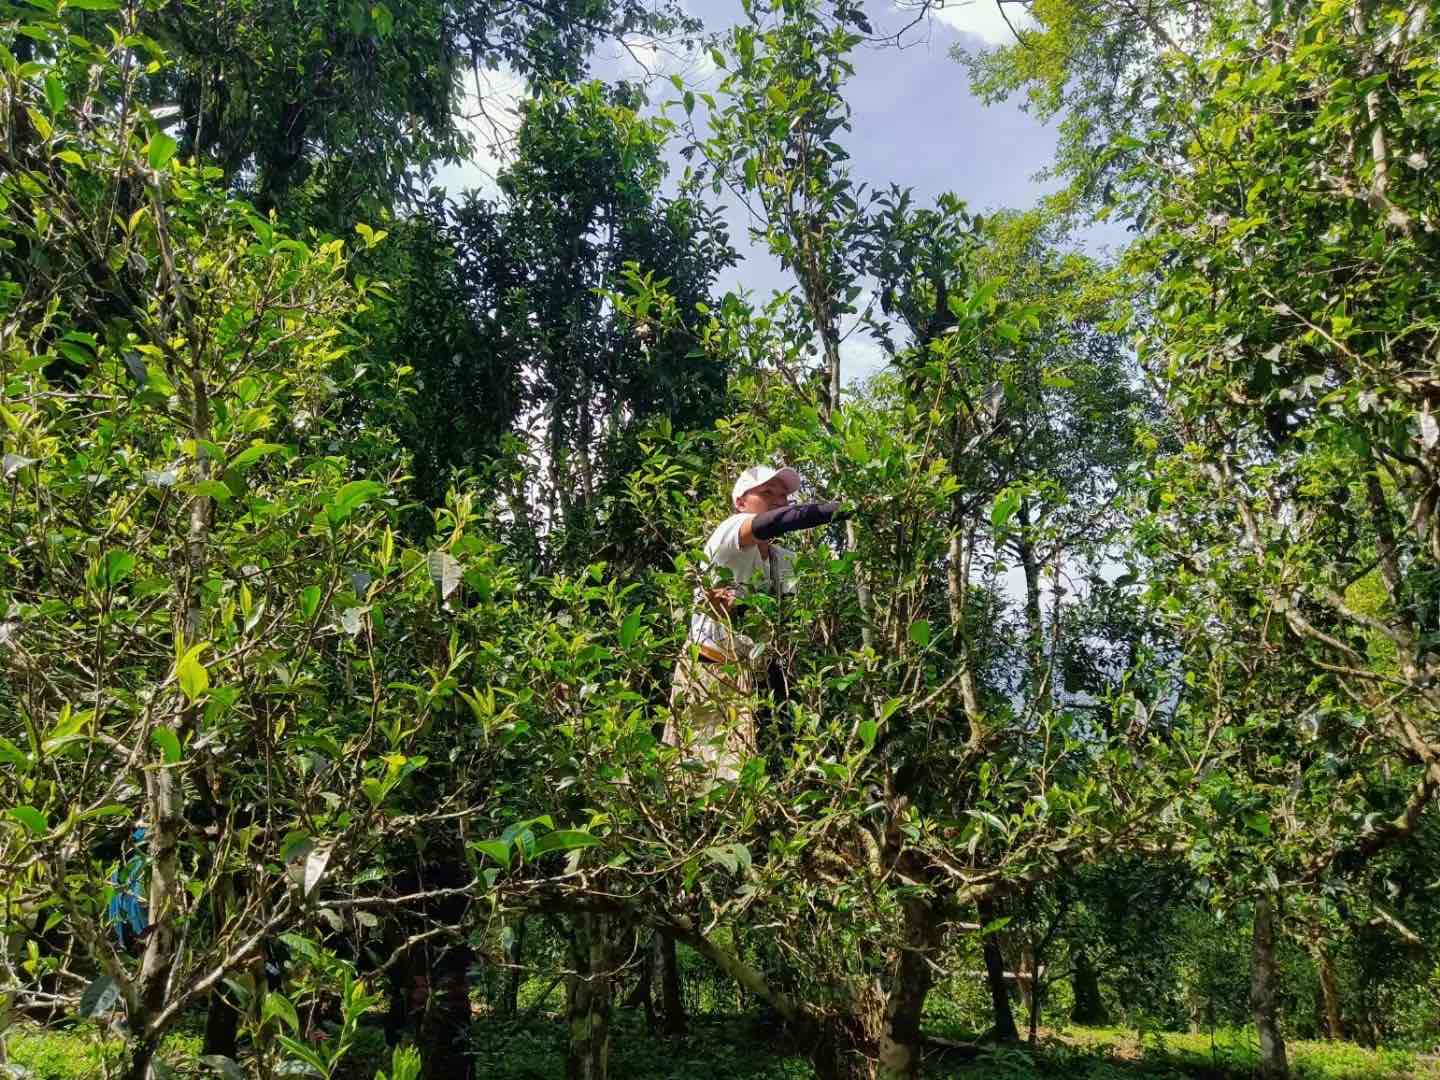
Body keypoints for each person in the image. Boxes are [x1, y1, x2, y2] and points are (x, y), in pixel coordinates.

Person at [665, 465, 847, 783]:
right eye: (767, 493)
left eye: (784, 495)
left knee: (771, 766)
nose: (779, 501)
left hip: (757, 673)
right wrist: (840, 509)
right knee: (705, 775)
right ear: (741, 503)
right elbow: (775, 521)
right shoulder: (730, 533)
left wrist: (747, 611)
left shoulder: (782, 559)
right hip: (712, 671)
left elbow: (783, 618)